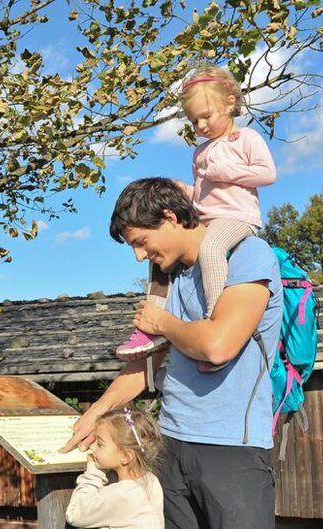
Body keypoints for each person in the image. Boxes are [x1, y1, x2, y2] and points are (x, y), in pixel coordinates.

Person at [62, 177, 296, 529]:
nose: (139, 256)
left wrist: (162, 322)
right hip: (174, 444)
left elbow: (218, 344)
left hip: (232, 448)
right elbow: (144, 365)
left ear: (170, 217)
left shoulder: (247, 257)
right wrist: (96, 412)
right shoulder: (175, 280)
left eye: (141, 241)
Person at [116, 63, 276, 372]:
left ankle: (214, 319)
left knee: (211, 249)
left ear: (229, 103)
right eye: (194, 121)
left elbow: (267, 174)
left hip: (237, 217)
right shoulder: (199, 153)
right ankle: (149, 327)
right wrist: (186, 192)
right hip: (207, 216)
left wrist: (224, 171)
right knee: (161, 255)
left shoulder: (246, 138)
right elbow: (204, 193)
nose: (201, 126)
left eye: (206, 116)